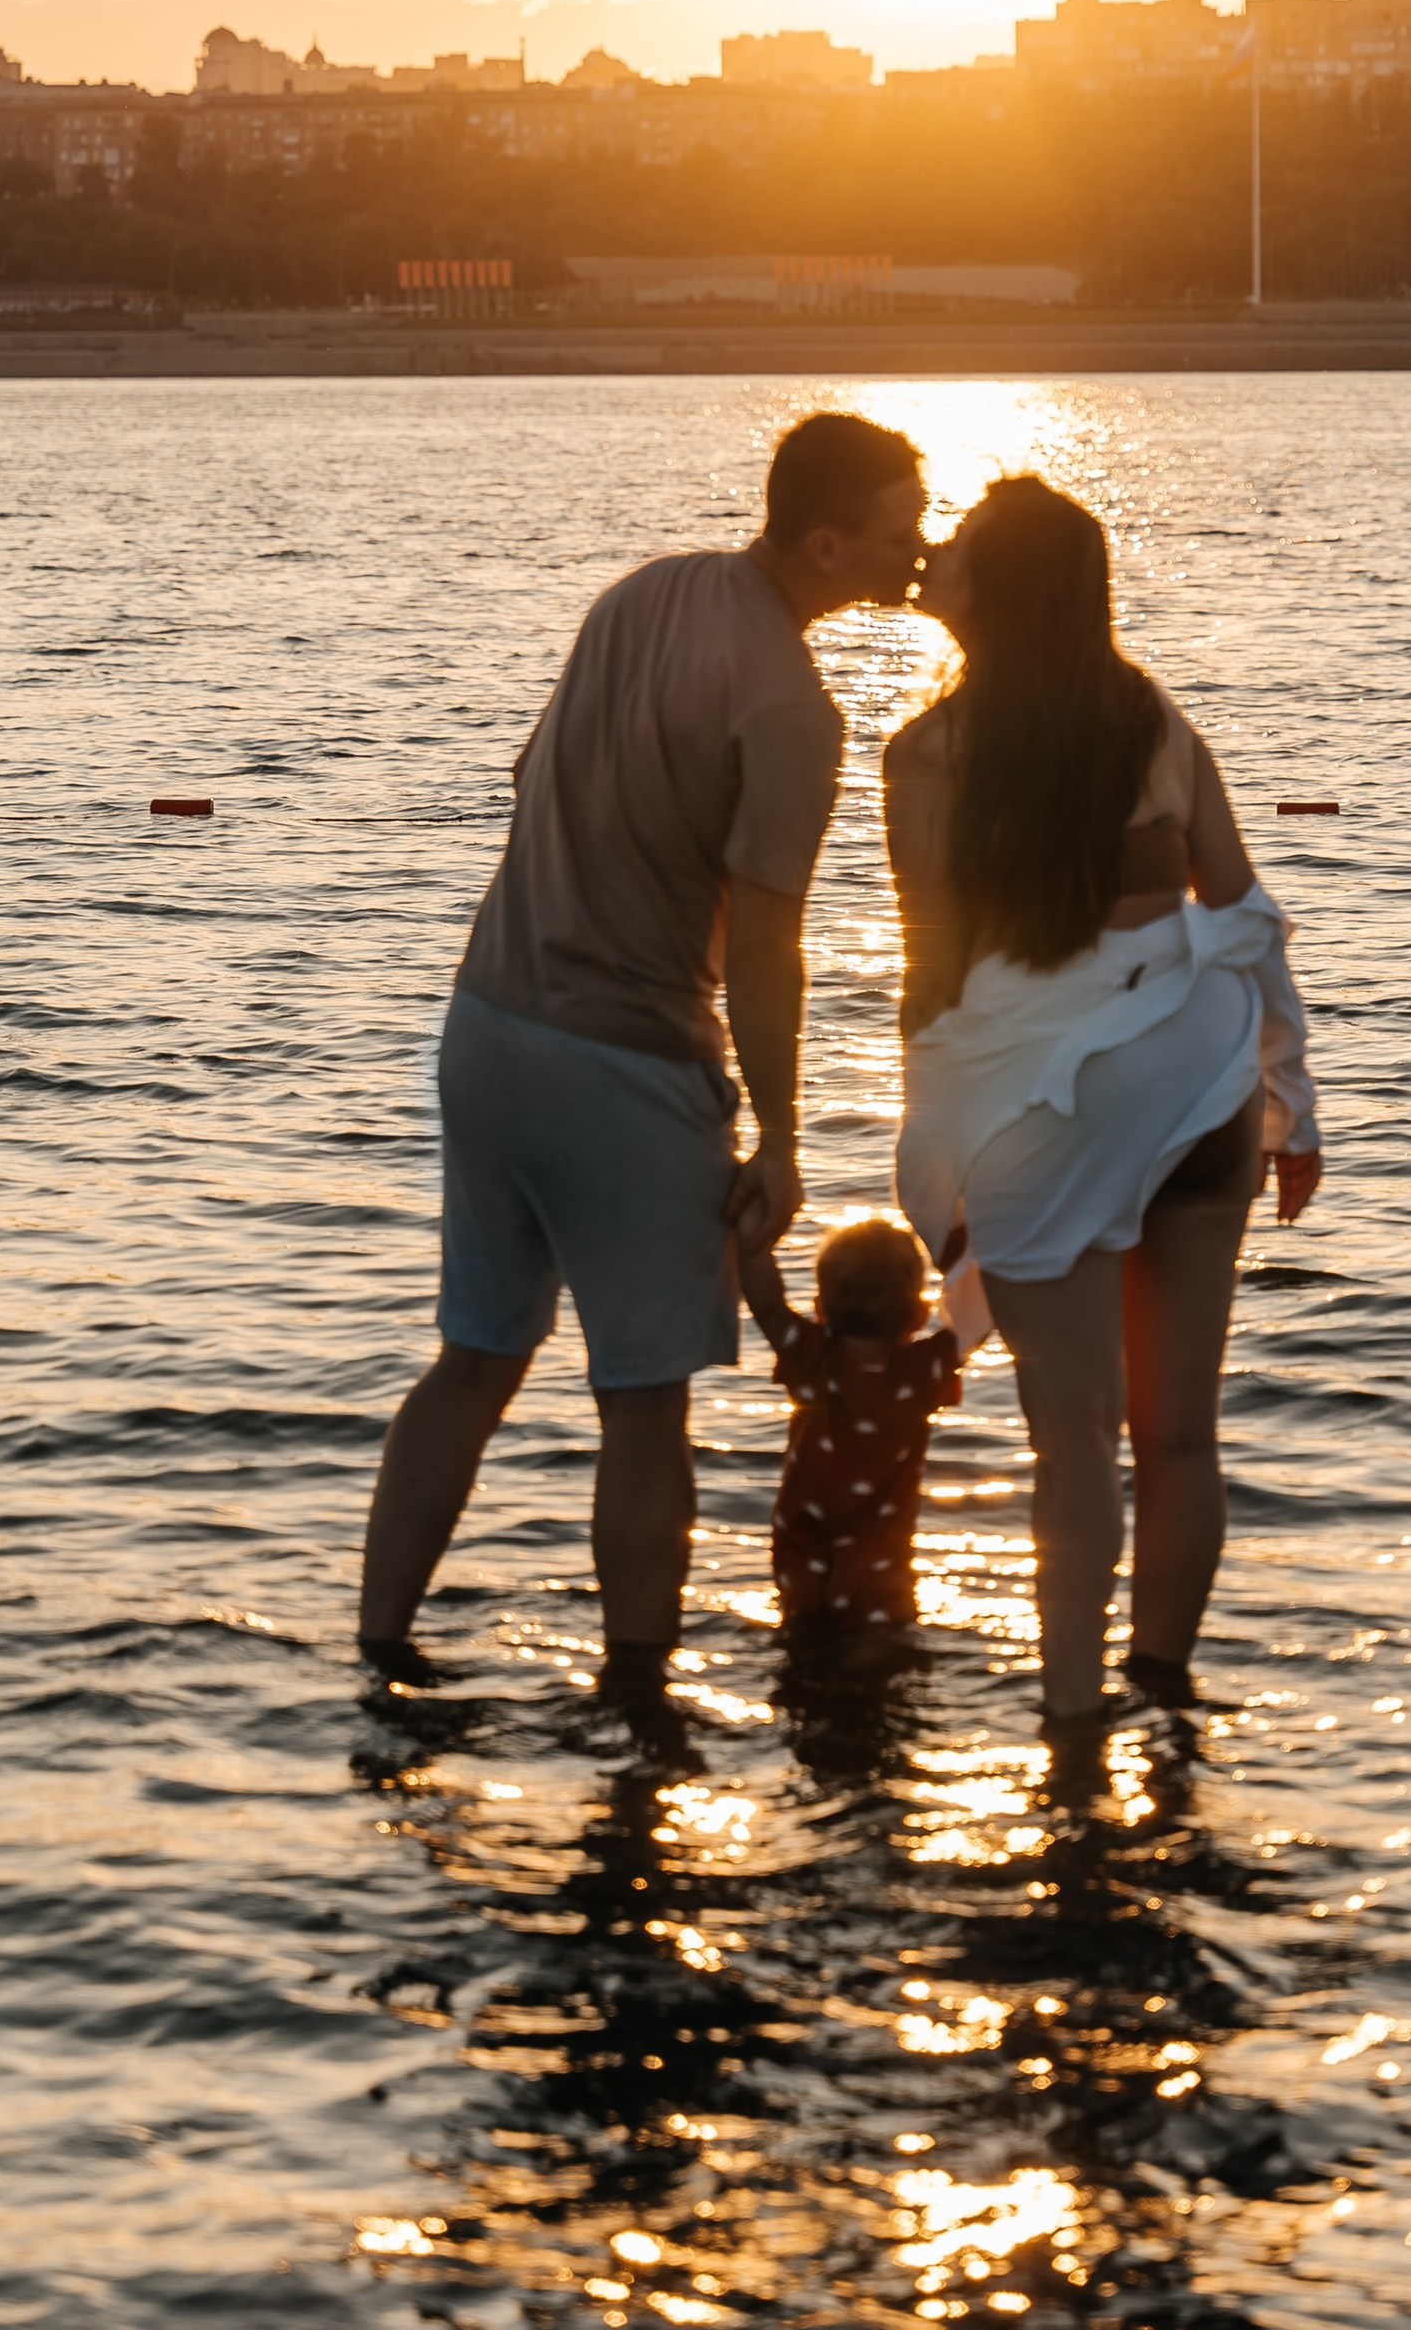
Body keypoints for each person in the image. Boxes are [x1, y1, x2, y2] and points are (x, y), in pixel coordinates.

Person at [356, 410, 927, 1690]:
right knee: (642, 1405)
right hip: (625, 1066)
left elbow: (527, 776)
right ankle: (637, 1706)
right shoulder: (795, 709)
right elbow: (770, 949)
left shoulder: (639, 593)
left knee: (473, 1362)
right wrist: (778, 1141)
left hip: (487, 1028)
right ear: (827, 541)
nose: (920, 555)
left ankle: (377, 1645)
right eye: (901, 534)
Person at [886, 474, 1322, 1726]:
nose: (933, 562)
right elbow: (1239, 915)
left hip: (1055, 1091)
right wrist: (1291, 1095)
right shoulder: (1156, 719)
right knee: (1178, 1431)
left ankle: (1074, 1726)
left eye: (957, 549)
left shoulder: (926, 752)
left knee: (1073, 1435)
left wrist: (939, 1168)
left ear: (998, 588)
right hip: (1196, 1072)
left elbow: (936, 975)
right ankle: (1163, 1693)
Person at [737, 1214, 963, 1643]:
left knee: (802, 1653)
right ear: (918, 1315)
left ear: (820, 1309)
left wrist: (755, 1235)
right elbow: (977, 1318)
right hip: (880, 1568)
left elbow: (764, 1302)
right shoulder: (923, 1370)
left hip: (801, 1556)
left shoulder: (809, 1356)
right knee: (878, 1663)